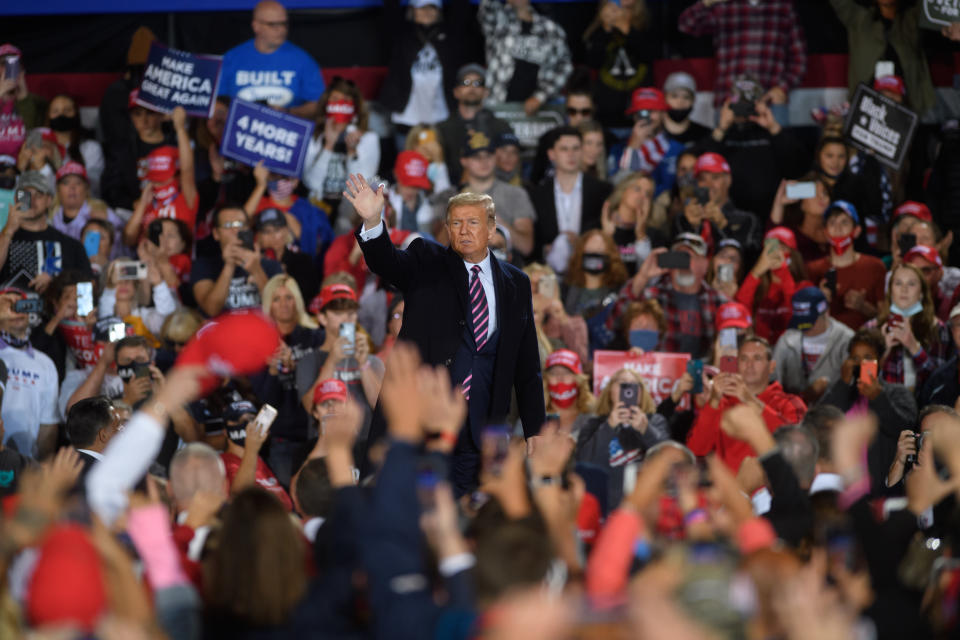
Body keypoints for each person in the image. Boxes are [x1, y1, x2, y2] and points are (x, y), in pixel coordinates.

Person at [348, 181, 545, 492]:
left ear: (491, 228)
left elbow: (526, 364)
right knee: (412, 518)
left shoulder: (516, 283)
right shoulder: (427, 260)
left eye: (473, 222)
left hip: (480, 434)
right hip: (420, 426)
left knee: (465, 522)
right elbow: (386, 261)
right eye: (456, 222)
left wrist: (535, 428)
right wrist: (373, 221)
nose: (463, 230)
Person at [687, 335, 806, 472]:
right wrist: (713, 401)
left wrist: (749, 399)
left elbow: (797, 445)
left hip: (774, 489)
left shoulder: (790, 403)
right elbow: (696, 451)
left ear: (772, 366)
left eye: (757, 358)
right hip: (732, 491)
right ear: (736, 365)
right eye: (743, 358)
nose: (749, 364)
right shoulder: (721, 404)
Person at [818, 328, 917, 490]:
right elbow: (821, 423)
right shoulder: (842, 392)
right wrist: (842, 384)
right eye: (855, 358)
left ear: (881, 360)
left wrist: (878, 397)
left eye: (868, 357)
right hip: (844, 487)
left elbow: (904, 428)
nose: (861, 364)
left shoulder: (897, 393)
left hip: (884, 486)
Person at [699, 77, 807, 222]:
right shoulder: (721, 135)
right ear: (729, 103)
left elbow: (798, 169)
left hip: (771, 216)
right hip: (727, 217)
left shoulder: (773, 132)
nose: (744, 109)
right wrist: (722, 127)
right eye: (740, 103)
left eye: (749, 103)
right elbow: (701, 166)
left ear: (760, 103)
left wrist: (773, 127)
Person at [251, 274, 322, 487]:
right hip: (282, 438)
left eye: (289, 297)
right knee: (288, 502)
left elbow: (325, 382)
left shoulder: (316, 337)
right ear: (268, 305)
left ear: (298, 301)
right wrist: (273, 369)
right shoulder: (258, 344)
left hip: (315, 432)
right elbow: (266, 402)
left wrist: (296, 368)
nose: (284, 304)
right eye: (277, 298)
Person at [608, 233, 725, 359]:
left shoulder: (719, 301)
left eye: (688, 258)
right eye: (678, 258)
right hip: (660, 373)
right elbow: (613, 324)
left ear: (704, 265)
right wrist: (642, 276)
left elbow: (732, 346)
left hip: (703, 374)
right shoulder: (651, 296)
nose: (683, 265)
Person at [677, 0, 806, 114]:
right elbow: (686, 25)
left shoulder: (783, 6)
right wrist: (706, 3)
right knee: (722, 141)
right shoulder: (724, 6)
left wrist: (782, 88)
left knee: (780, 142)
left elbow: (799, 59)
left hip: (769, 102)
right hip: (729, 101)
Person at [432, 130, 537, 257]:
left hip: (503, 269)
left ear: (495, 157)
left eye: (489, 155)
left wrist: (495, 220)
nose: (484, 161)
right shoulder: (448, 196)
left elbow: (526, 246)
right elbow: (438, 249)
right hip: (459, 270)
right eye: (476, 157)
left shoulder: (516, 194)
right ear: (464, 161)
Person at [575, 366, 668, 508]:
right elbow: (585, 463)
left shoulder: (655, 422)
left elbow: (667, 458)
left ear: (641, 393)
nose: (628, 388)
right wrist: (608, 427)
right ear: (610, 391)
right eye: (622, 383)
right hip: (603, 505)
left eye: (633, 384)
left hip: (644, 505)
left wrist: (646, 430)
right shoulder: (593, 424)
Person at [219, 0, 325, 119]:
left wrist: (288, 112)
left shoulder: (303, 60)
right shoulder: (232, 58)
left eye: (284, 24)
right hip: (239, 129)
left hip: (284, 130)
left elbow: (318, 104)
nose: (281, 29)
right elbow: (217, 101)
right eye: (273, 24)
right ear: (256, 26)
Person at [828, 0, 936, 116]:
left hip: (909, 107)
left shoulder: (912, 18)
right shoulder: (859, 18)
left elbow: (934, 7)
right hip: (865, 108)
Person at [379, 0, 468, 137]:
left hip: (441, 116)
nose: (427, 12)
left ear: (439, 12)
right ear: (412, 10)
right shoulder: (402, 36)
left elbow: (460, 12)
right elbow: (391, 12)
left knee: (439, 157)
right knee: (408, 158)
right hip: (406, 118)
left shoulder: (449, 37)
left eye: (432, 8)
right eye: (422, 8)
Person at [530, 126, 613, 268]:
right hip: (548, 273)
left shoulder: (603, 190)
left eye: (576, 148)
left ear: (582, 152)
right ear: (552, 154)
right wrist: (544, 249)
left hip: (590, 269)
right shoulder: (537, 194)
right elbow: (532, 240)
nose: (571, 154)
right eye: (564, 149)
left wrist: (582, 242)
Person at [297, 283, 384, 417]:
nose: (346, 318)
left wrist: (363, 363)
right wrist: (331, 361)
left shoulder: (373, 361)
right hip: (328, 436)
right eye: (338, 313)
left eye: (351, 313)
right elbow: (310, 407)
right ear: (322, 318)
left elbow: (382, 410)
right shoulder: (308, 360)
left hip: (366, 437)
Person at [865, 263, 953, 393]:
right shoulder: (872, 328)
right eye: (898, 283)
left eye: (911, 284)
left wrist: (914, 347)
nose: (904, 289)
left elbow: (939, 384)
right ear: (890, 291)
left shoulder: (938, 329)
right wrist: (883, 351)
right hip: (880, 406)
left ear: (922, 293)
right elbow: (864, 382)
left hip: (922, 407)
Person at [0, 170, 92, 290]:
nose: (32, 201)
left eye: (38, 195)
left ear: (49, 200)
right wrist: (8, 231)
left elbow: (86, 296)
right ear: (16, 199)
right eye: (26, 195)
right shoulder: (4, 239)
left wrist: (56, 282)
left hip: (54, 308)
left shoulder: (72, 246)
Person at [477, 0, 573, 115]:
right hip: (499, 106)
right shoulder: (498, 22)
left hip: (537, 112)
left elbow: (564, 66)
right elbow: (487, 6)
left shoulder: (550, 29)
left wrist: (540, 96)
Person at [302, 78, 380, 216]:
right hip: (318, 209)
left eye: (345, 100)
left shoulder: (369, 139)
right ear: (327, 103)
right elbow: (311, 184)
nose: (339, 104)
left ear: (354, 107)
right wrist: (328, 146)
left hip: (350, 212)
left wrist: (352, 153)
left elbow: (363, 188)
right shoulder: (314, 136)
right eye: (335, 99)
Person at [122, 107, 199, 247]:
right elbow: (128, 241)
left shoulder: (185, 198)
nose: (158, 183)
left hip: (178, 266)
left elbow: (188, 169)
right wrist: (142, 206)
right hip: (148, 264)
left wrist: (180, 128)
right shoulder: (148, 202)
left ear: (176, 175)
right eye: (155, 178)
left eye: (164, 178)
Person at [806, 201, 886, 330]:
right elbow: (803, 320)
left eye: (844, 222)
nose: (838, 228)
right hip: (826, 343)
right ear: (826, 232)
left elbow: (885, 318)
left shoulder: (875, 266)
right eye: (832, 223)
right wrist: (820, 301)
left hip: (864, 341)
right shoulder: (813, 269)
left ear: (856, 231)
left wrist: (863, 307)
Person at [191, 205, 283, 316]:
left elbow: (281, 310)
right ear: (216, 233)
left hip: (259, 330)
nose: (235, 230)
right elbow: (211, 310)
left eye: (240, 224)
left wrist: (256, 270)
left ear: (248, 229)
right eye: (228, 225)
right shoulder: (203, 266)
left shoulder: (271, 266)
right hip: (221, 332)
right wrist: (229, 266)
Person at [0, 289, 59, 458]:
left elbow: (48, 426)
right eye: (7, 304)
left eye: (22, 304)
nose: (16, 310)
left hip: (26, 466)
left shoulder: (45, 364)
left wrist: (41, 471)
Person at [582, 0, 656, 130]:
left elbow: (649, 56)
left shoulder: (648, 22)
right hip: (607, 110)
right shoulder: (598, 29)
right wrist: (606, 28)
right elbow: (593, 62)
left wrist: (625, 28)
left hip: (640, 108)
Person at [435, 63, 514, 186]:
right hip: (451, 191)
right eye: (466, 83)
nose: (472, 87)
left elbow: (510, 166)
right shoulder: (442, 129)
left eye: (478, 83)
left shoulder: (501, 127)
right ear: (456, 92)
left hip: (493, 191)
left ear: (486, 92)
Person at [773, 286, 854, 403]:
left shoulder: (846, 339)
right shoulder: (787, 339)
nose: (803, 327)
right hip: (794, 414)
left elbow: (855, 388)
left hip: (836, 414)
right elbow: (774, 381)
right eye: (800, 321)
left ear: (825, 312)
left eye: (809, 322)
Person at [677, 152, 761, 260]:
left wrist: (722, 225)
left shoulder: (748, 220)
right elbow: (677, 262)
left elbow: (749, 260)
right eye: (702, 179)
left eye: (715, 177)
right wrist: (692, 228)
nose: (709, 185)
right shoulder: (682, 219)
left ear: (728, 180)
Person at [735, 226, 805, 344]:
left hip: (791, 350)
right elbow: (740, 308)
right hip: (760, 351)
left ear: (793, 254)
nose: (776, 253)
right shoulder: (758, 287)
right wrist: (756, 272)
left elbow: (796, 312)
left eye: (782, 247)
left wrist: (783, 272)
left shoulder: (803, 286)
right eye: (772, 248)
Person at [220, 401, 293, 511]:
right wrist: (252, 448)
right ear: (225, 431)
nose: (247, 425)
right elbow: (240, 495)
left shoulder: (259, 460)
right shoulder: (222, 462)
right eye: (238, 420)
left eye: (251, 419)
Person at [616, 88, 683, 195]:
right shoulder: (618, 149)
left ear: (663, 114)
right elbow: (618, 187)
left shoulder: (678, 150)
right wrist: (633, 147)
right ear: (633, 116)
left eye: (652, 111)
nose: (647, 117)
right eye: (641, 112)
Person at [600, 173, 666, 276]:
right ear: (623, 190)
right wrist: (606, 237)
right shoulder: (599, 226)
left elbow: (652, 278)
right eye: (637, 189)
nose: (642, 196)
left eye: (648, 194)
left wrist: (641, 234)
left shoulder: (655, 236)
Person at [50, 162, 124, 249]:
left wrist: (106, 226)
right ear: (58, 189)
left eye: (78, 183)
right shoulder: (51, 217)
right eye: (66, 183)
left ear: (86, 188)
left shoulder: (101, 211)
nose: (72, 187)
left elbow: (124, 242)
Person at [254, 208, 320, 304]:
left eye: (277, 230)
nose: (273, 236)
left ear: (286, 231)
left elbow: (309, 296)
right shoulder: (252, 261)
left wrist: (286, 280)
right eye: (266, 232)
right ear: (258, 236)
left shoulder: (302, 260)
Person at [45, 94, 104, 197]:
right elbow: (24, 186)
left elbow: (94, 188)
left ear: (76, 114)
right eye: (55, 111)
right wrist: (22, 209)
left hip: (81, 209)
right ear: (48, 116)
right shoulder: (37, 147)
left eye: (67, 110)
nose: (61, 115)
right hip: (44, 210)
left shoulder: (91, 148)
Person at [563, 229, 628, 318]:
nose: (594, 256)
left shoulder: (619, 290)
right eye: (589, 251)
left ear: (610, 256)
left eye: (599, 251)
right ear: (580, 254)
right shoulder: (566, 289)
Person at [65, 396, 120, 486]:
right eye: (118, 426)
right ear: (103, 435)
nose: (124, 430)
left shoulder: (57, 468)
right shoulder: (106, 477)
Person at [542, 349, 595, 438]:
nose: (560, 378)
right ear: (546, 379)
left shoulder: (592, 414)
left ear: (579, 379)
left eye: (567, 372)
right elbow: (516, 447)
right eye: (553, 373)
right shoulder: (534, 414)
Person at [387, 150, 436, 236]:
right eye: (407, 183)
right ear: (395, 174)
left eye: (417, 186)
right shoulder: (386, 202)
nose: (411, 190)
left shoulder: (424, 203)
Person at [660, 72, 710, 146]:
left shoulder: (705, 134)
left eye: (686, 97)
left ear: (693, 100)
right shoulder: (652, 133)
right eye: (674, 96)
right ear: (664, 98)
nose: (680, 102)